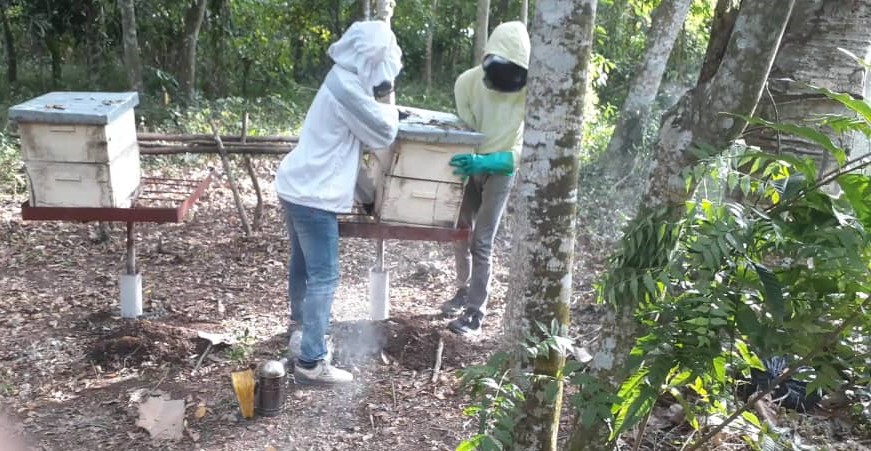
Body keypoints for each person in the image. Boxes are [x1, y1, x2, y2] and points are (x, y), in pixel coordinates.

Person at [275, 21, 403, 383]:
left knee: (303, 265)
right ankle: (311, 362)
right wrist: (395, 110)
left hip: (297, 187)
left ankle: (301, 331)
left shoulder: (342, 77)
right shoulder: (347, 87)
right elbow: (383, 131)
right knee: (325, 277)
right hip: (313, 196)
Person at [441, 21, 530, 336]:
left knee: (482, 240)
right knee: (460, 231)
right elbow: (467, 128)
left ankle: (475, 311)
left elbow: (529, 143)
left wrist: (495, 159)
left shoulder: (532, 89)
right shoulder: (467, 82)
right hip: (470, 164)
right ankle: (463, 289)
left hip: (502, 167)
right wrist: (471, 158)